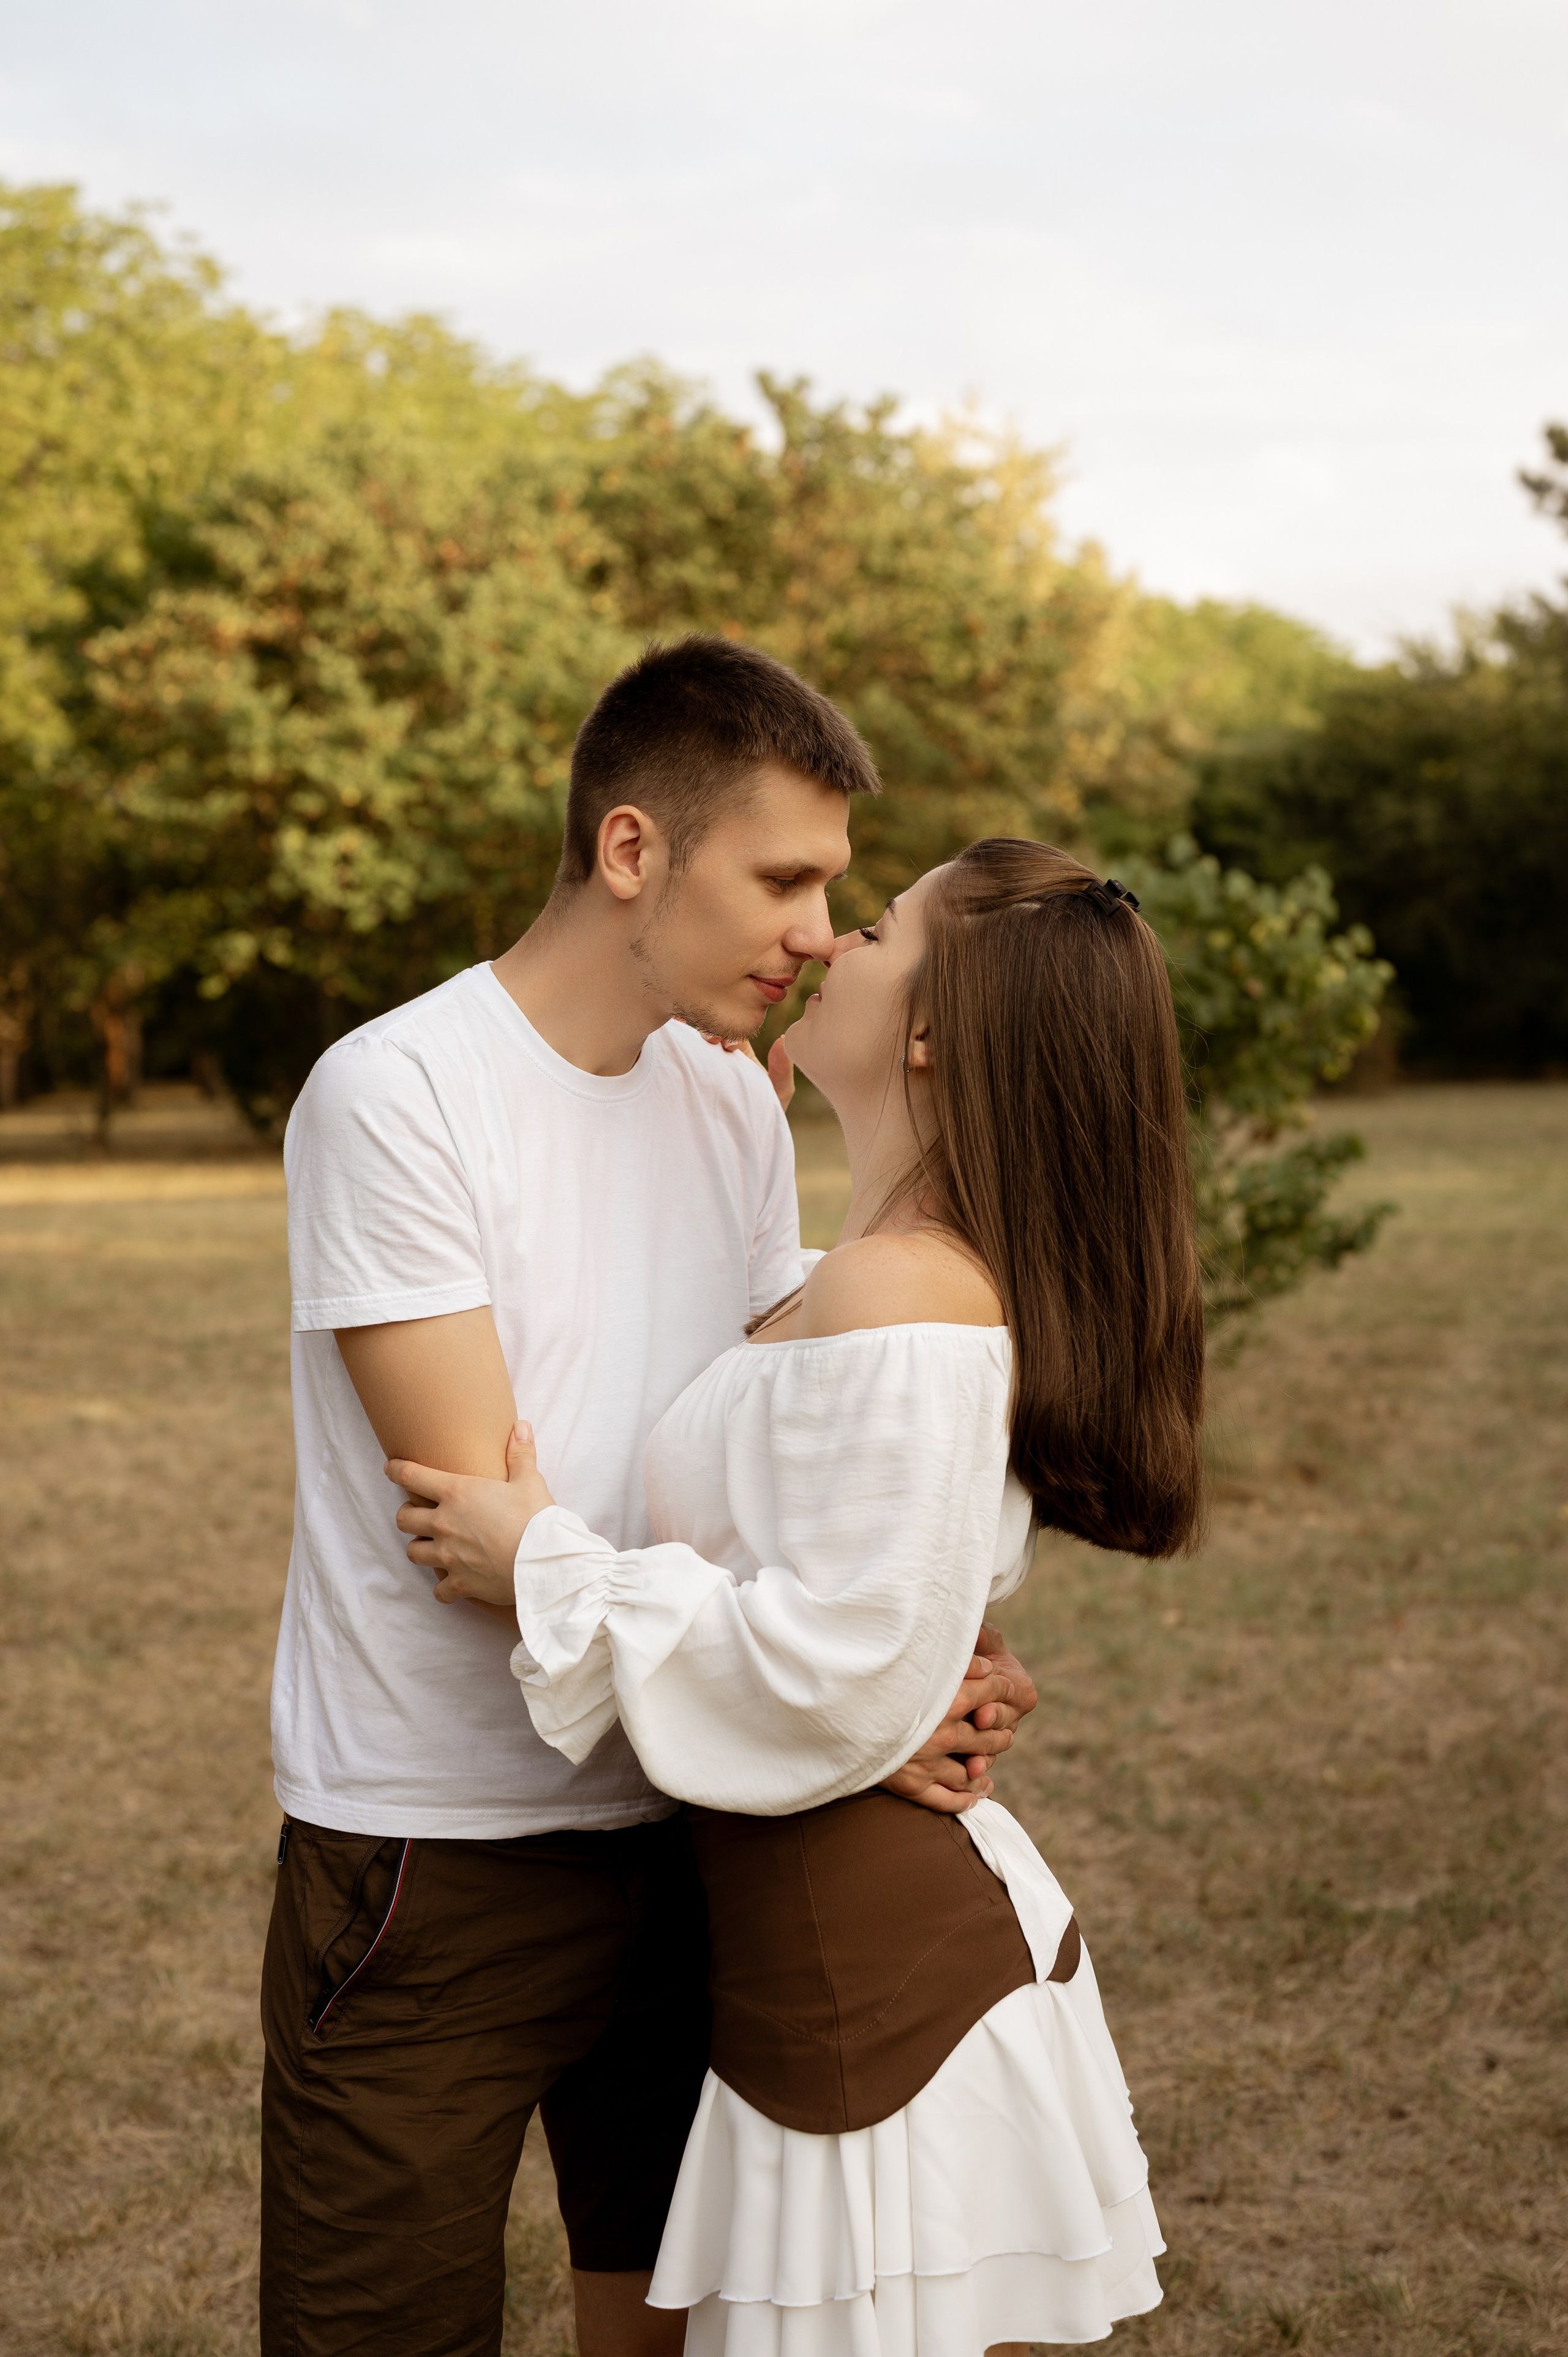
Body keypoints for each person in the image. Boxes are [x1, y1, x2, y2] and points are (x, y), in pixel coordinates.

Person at [261, 637, 1040, 2357]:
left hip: (704, 1823)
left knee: (683, 2317)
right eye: (784, 876)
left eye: (839, 891)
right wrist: (830, 1693)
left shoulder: (726, 1104)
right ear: (633, 850)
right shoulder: (399, 1095)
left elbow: (768, 1446)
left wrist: (875, 1679)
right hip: (438, 1844)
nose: (821, 933)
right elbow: (478, 1523)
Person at [388, 837, 1208, 2356]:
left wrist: (541, 1564)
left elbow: (835, 1667)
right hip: (824, 1964)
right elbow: (853, 1596)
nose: (828, 939)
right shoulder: (870, 1266)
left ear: (929, 1032)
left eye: (877, 923)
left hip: (875, 1988)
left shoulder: (895, 1286)